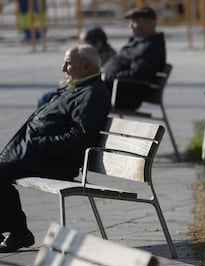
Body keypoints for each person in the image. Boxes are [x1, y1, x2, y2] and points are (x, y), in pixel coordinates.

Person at [0, 45, 111, 253]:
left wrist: (38, 142)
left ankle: (19, 233)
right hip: (39, 155)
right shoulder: (78, 87)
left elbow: (78, 141)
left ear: (86, 67)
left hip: (55, 162)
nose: (63, 68)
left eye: (68, 63)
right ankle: (13, 230)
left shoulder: (92, 94)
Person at [102, 5, 166, 109]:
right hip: (111, 88)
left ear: (150, 23)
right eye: (130, 22)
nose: (130, 26)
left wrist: (108, 77)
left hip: (124, 94)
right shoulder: (138, 42)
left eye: (135, 22)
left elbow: (138, 75)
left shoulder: (150, 47)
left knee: (82, 95)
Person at [37, 27, 115, 108]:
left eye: (86, 43)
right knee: (46, 98)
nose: (83, 46)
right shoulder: (92, 55)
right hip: (77, 90)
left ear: (98, 44)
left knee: (45, 99)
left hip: (82, 92)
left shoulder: (106, 59)